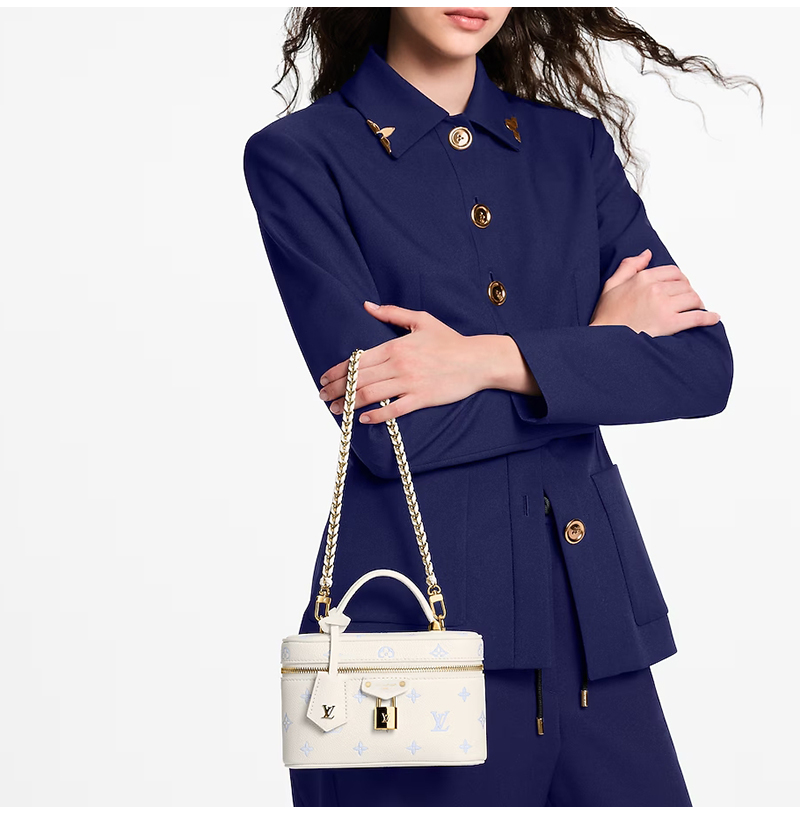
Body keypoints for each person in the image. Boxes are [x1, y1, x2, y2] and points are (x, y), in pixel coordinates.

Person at [243, 7, 759, 807]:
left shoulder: (572, 150)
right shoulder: (303, 157)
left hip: (595, 632)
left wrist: (484, 359)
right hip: (413, 656)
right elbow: (389, 432)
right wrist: (596, 349)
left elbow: (700, 368)